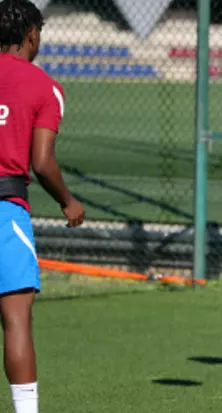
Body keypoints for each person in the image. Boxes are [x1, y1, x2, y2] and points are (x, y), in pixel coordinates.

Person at [0, 1, 85, 411]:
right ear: (32, 34)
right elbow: (42, 162)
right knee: (15, 319)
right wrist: (68, 202)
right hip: (5, 208)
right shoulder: (43, 87)